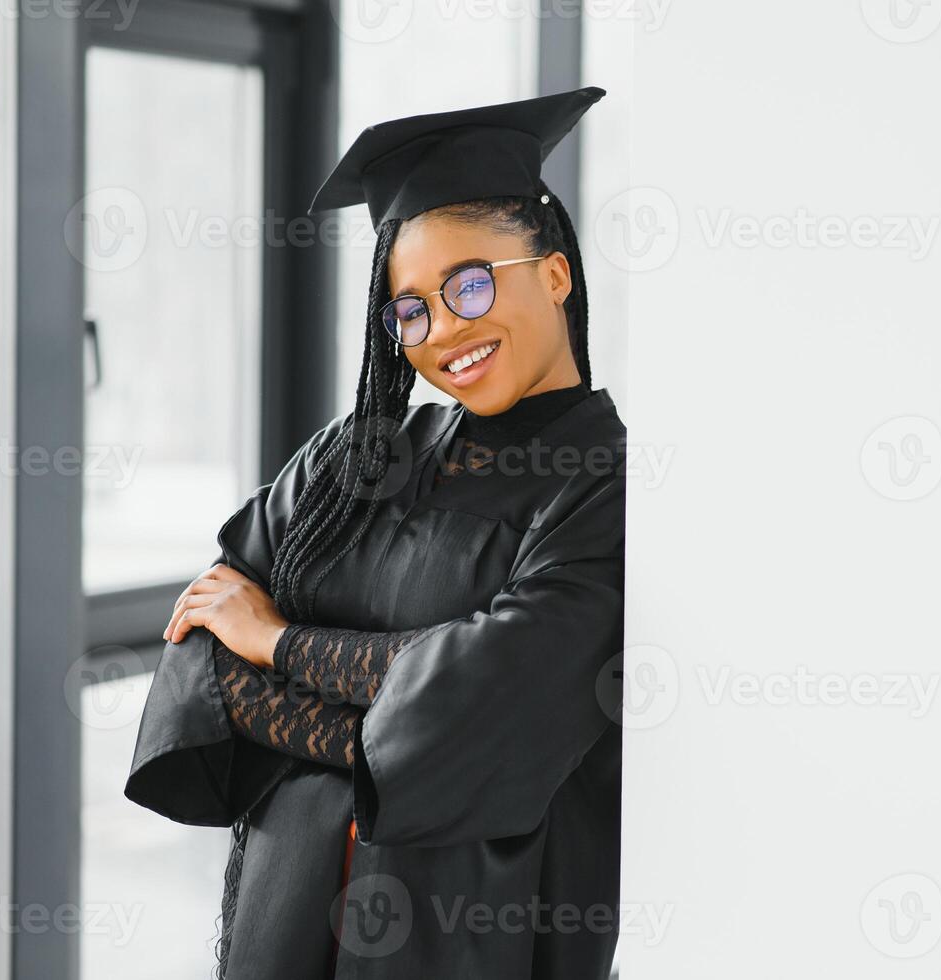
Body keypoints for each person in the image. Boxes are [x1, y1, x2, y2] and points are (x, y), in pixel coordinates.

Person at [124, 86, 625, 980]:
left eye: (472, 283)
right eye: (413, 309)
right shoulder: (351, 463)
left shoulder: (610, 484)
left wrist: (274, 642)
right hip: (279, 924)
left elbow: (496, 700)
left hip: (475, 945)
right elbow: (201, 650)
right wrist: (385, 706)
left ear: (555, 272)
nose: (446, 331)